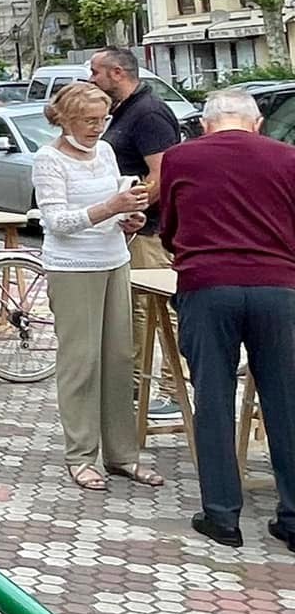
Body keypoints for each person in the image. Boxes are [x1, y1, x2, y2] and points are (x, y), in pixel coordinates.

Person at [161, 89, 295, 549]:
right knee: (286, 400)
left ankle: (222, 516)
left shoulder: (180, 158)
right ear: (257, 123)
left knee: (213, 399)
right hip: (279, 287)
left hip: (206, 285)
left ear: (204, 124)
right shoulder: (287, 157)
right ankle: (293, 518)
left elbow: (171, 227)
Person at [31, 81, 156, 492]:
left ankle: (123, 454)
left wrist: (128, 219)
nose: (96, 128)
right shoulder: (48, 159)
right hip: (72, 267)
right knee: (81, 362)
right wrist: (109, 208)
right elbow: (55, 221)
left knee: (119, 359)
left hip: (113, 259)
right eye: (87, 121)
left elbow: (114, 204)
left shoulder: (104, 151)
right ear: (65, 119)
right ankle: (81, 455)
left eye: (102, 119)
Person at [90, 46, 185, 421]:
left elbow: (163, 175)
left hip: (148, 230)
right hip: (131, 229)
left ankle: (173, 390)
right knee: (135, 311)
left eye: (95, 72)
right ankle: (136, 386)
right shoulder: (125, 112)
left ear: (116, 72)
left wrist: (130, 207)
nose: (91, 79)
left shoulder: (149, 113)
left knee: (156, 311)